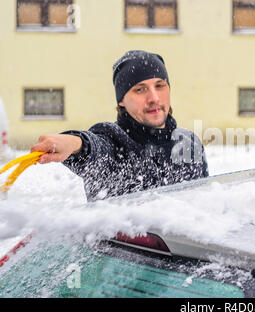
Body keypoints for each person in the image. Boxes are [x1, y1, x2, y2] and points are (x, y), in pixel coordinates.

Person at [31, 50, 209, 201]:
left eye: (160, 85)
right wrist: (75, 143)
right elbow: (95, 147)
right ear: (121, 100)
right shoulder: (114, 140)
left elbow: (204, 203)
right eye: (140, 89)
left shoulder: (189, 142)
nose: (154, 98)